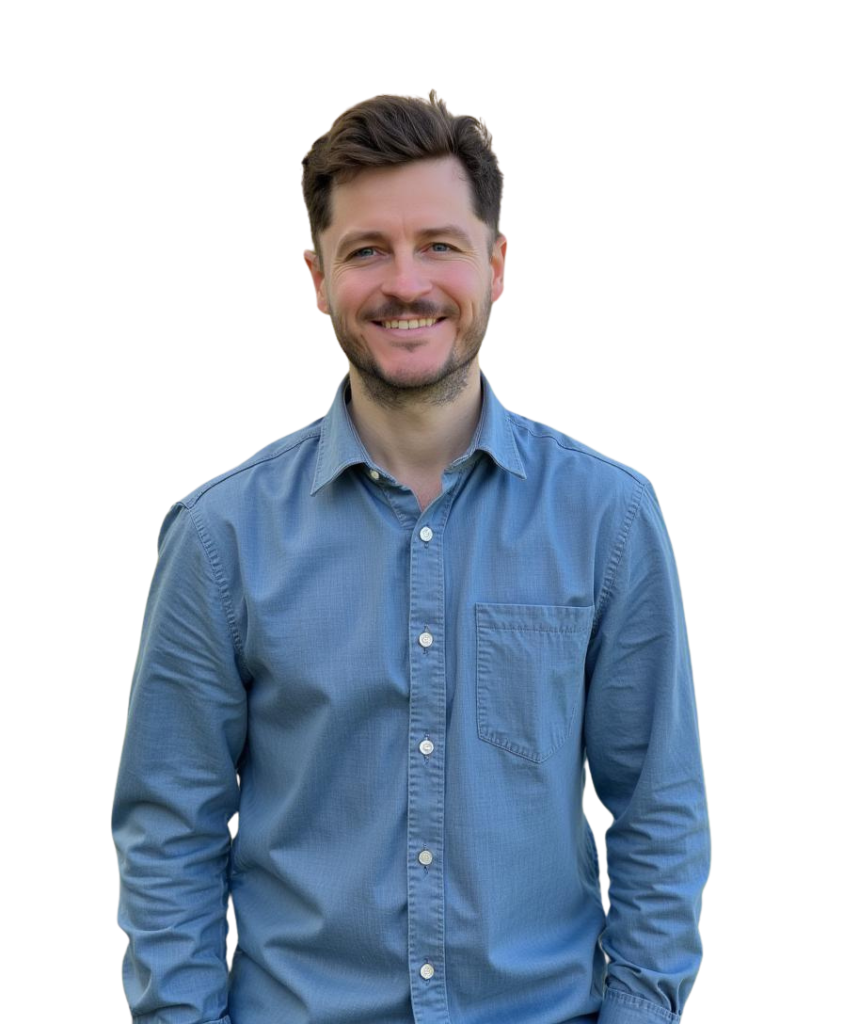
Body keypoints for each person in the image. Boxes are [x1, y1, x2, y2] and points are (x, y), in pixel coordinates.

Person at [111, 90, 711, 1024]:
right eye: (365, 251)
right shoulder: (220, 537)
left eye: (438, 244)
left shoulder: (609, 520)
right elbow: (168, 831)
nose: (405, 283)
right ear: (317, 276)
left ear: (494, 265)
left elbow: (659, 813)